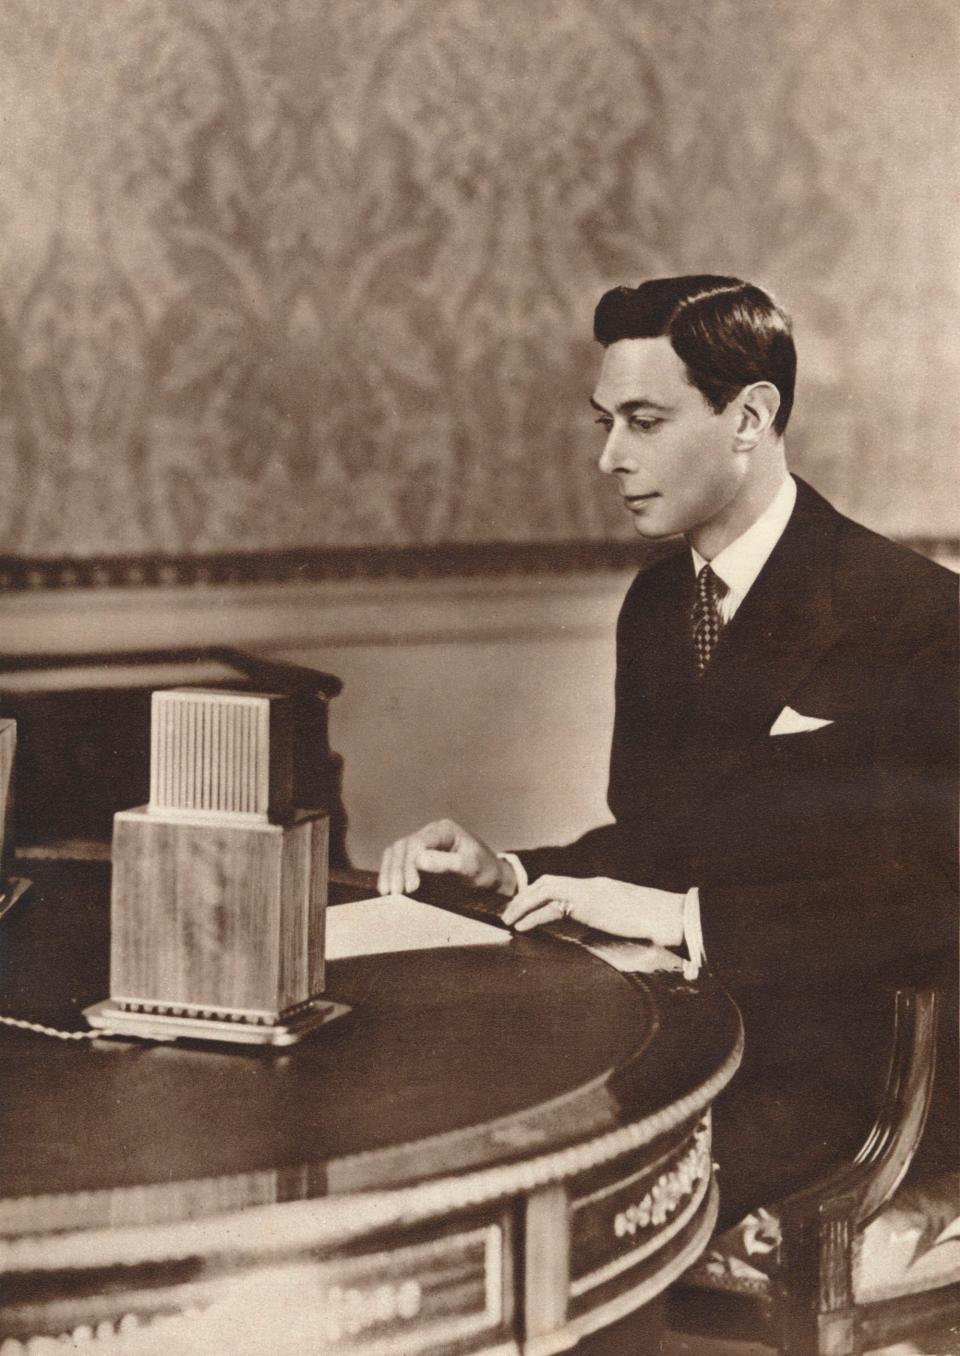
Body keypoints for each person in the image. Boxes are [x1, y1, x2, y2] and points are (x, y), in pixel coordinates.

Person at [378, 275, 958, 1226]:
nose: (609, 456)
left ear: (750, 416)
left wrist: (684, 919)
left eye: (644, 421)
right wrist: (510, 873)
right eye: (604, 422)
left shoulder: (918, 616)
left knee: (567, 1206)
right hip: (685, 1040)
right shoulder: (657, 604)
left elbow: (938, 899)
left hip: (860, 1082)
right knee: (455, 1147)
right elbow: (657, 839)